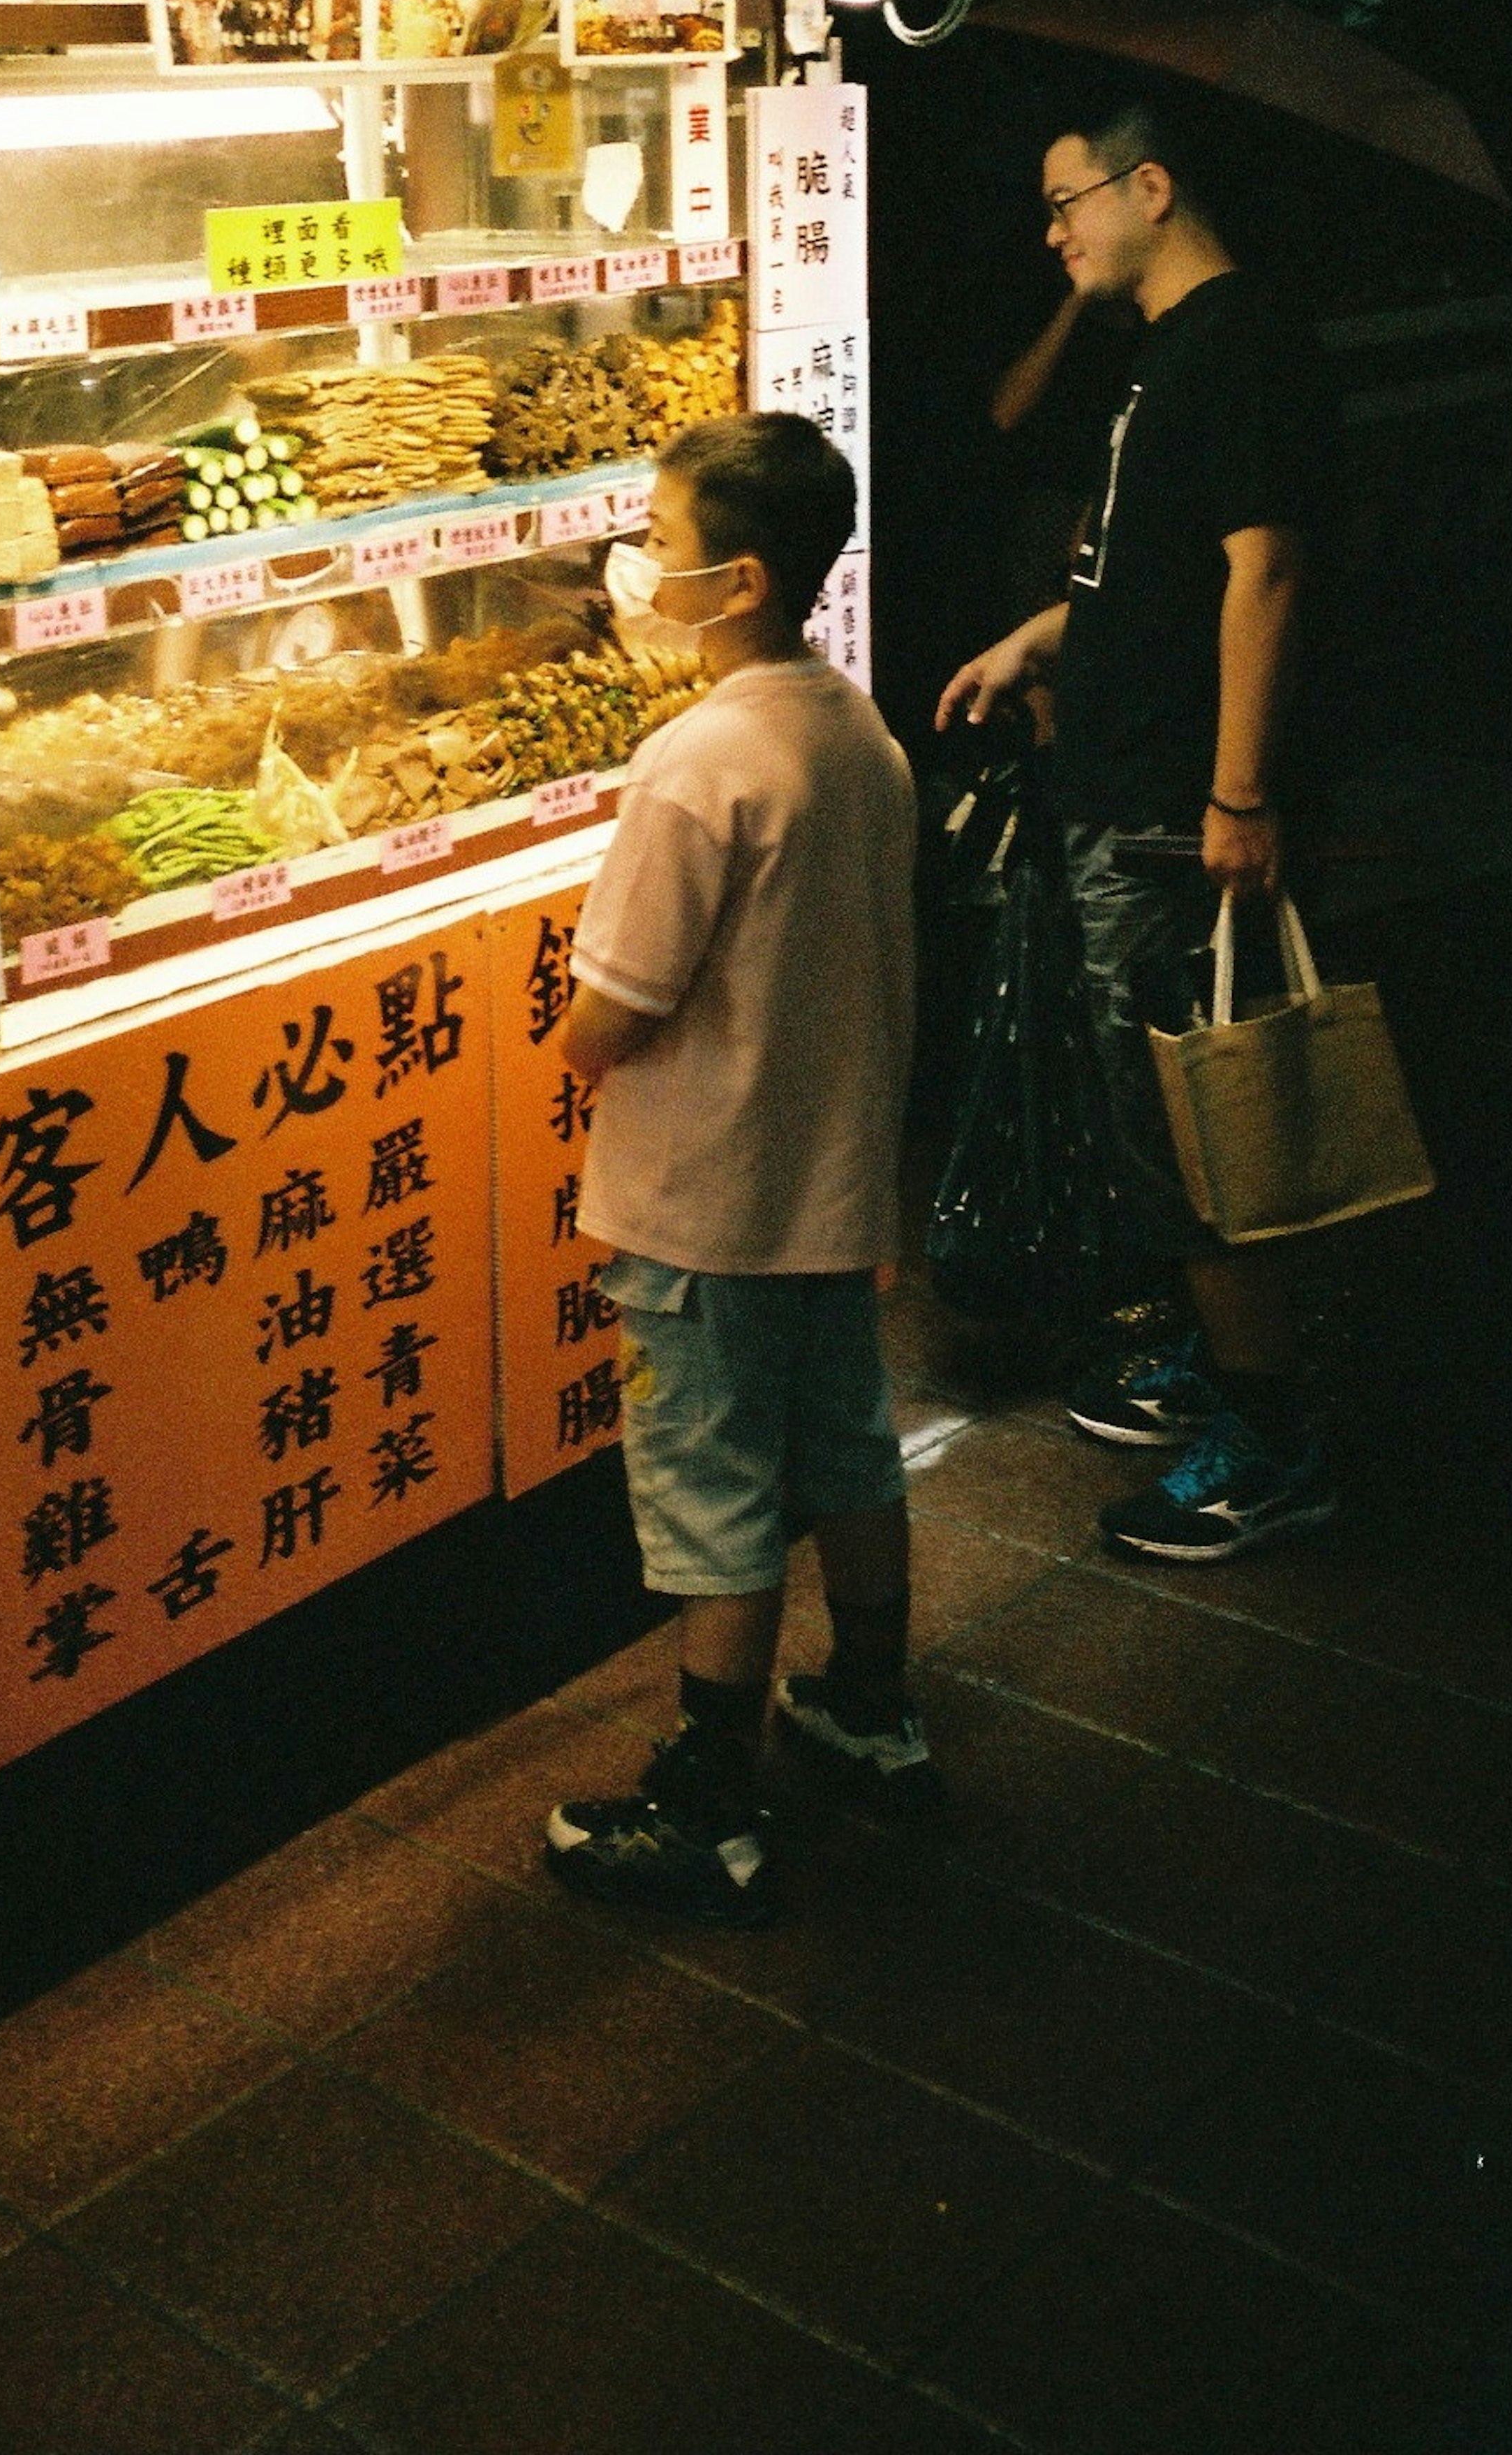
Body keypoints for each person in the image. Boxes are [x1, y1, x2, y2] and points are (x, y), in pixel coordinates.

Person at [935, 100, 1340, 1562]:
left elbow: (1268, 572)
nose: (1054, 233)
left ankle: (1269, 1438)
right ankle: (1208, 1367)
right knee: (1152, 1112)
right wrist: (1041, 637)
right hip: (1130, 786)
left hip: (1177, 808)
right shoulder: (1169, 353)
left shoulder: (1241, 346)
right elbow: (1147, 571)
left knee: (1198, 1119)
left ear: (1150, 186)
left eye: (1067, 199)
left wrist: (1237, 796)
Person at [542, 415, 920, 1928]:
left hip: (705, 1204)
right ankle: (873, 1703)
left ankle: (714, 1801)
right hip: (832, 1188)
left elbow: (618, 1005)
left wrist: (572, 1040)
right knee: (848, 1452)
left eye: (659, 533)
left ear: (739, 576)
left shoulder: (696, 763)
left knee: (713, 1492)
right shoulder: (855, 726)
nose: (638, 559)